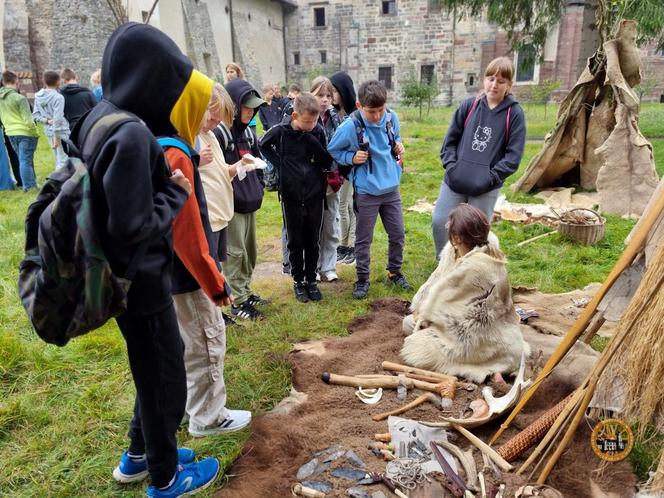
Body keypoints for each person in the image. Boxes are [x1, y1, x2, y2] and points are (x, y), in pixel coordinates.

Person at [72, 22, 219, 495]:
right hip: (143, 281)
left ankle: (140, 455)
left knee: (151, 368)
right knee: (165, 379)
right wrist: (175, 195)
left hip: (116, 278)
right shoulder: (134, 135)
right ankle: (165, 476)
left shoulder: (101, 116)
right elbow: (132, 227)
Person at [163, 72, 252, 438]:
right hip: (187, 272)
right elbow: (187, 229)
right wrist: (213, 280)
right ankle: (209, 417)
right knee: (205, 338)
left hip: (170, 270)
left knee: (188, 340)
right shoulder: (179, 153)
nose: (213, 124)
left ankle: (192, 406)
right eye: (209, 115)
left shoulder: (174, 141)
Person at [401, 204, 529, 383]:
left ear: (456, 237)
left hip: (474, 342)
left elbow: (441, 311)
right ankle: (497, 368)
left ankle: (484, 368)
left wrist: (422, 318)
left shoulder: (470, 267)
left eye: (449, 227)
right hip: (504, 338)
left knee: (409, 325)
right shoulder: (491, 257)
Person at [431, 56, 526, 255]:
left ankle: (470, 267)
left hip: (485, 186)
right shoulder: (469, 106)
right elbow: (450, 141)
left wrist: (490, 177)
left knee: (476, 232)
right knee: (441, 221)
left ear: (509, 84)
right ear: (484, 80)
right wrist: (452, 167)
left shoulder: (514, 114)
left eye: (501, 81)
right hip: (456, 180)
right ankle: (445, 262)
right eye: (491, 79)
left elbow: (513, 156)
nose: (494, 85)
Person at [327, 80, 411, 300]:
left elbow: (397, 139)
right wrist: (351, 158)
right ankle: (362, 279)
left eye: (380, 110)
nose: (377, 116)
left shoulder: (392, 118)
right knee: (364, 239)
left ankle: (394, 272)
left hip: (391, 189)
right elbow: (332, 149)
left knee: (398, 234)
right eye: (371, 112)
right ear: (358, 104)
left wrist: (399, 145)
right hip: (366, 192)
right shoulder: (349, 126)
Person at [259, 92, 333, 302]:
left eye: (315, 120)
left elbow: (326, 160)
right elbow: (262, 144)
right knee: (295, 239)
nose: (312, 125)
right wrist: (281, 164)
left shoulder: (316, 132)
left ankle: (311, 279)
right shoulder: (280, 132)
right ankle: (298, 281)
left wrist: (311, 140)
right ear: (294, 116)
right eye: (307, 122)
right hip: (291, 194)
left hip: (314, 193)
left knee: (312, 239)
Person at [216, 78, 268, 321]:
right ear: (234, 106)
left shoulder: (248, 132)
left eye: (253, 108)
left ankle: (246, 291)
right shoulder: (220, 133)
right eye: (246, 107)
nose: (250, 111)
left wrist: (259, 181)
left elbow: (257, 159)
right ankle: (238, 301)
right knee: (234, 252)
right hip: (232, 204)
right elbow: (215, 171)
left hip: (250, 201)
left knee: (250, 251)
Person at [197, 82, 240, 327]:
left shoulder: (210, 135)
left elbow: (221, 171)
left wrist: (238, 168)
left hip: (220, 213)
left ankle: (217, 312)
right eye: (212, 119)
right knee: (210, 264)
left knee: (217, 263)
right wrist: (196, 160)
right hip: (208, 215)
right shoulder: (190, 137)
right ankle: (211, 315)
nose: (215, 125)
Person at [311, 76, 342, 282]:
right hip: (311, 180)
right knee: (313, 225)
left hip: (331, 180)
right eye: (319, 95)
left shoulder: (336, 119)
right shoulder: (304, 118)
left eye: (328, 95)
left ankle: (329, 266)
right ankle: (311, 266)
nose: (324, 100)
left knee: (331, 224)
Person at [329, 71, 357, 265]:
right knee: (344, 205)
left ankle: (350, 247)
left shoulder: (353, 114)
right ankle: (345, 245)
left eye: (334, 92)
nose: (331, 97)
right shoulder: (335, 113)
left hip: (351, 168)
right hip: (341, 167)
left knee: (349, 205)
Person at [0, 71, 39, 191]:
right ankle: (28, 187)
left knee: (24, 160)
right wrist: (35, 132)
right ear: (17, 82)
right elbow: (28, 120)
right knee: (25, 161)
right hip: (25, 133)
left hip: (10, 133)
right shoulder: (20, 98)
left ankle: (32, 184)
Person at [32, 70, 70, 169]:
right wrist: (56, 137)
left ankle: (58, 180)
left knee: (58, 159)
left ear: (44, 81)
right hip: (61, 132)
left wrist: (47, 121)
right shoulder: (58, 97)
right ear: (58, 81)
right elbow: (57, 119)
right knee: (64, 160)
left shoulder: (38, 96)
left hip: (48, 130)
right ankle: (58, 182)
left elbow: (35, 115)